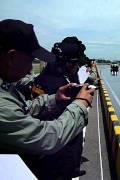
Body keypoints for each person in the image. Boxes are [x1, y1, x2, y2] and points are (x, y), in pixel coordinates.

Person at [0, 19, 94, 179]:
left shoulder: (7, 88)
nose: (31, 68)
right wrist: (81, 103)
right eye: (29, 60)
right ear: (12, 58)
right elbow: (48, 137)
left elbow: (22, 109)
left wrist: (54, 99)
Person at [32, 36, 87, 179]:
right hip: (57, 145)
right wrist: (82, 100)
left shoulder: (47, 75)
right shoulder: (60, 81)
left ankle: (73, 168)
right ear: (70, 63)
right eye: (76, 64)